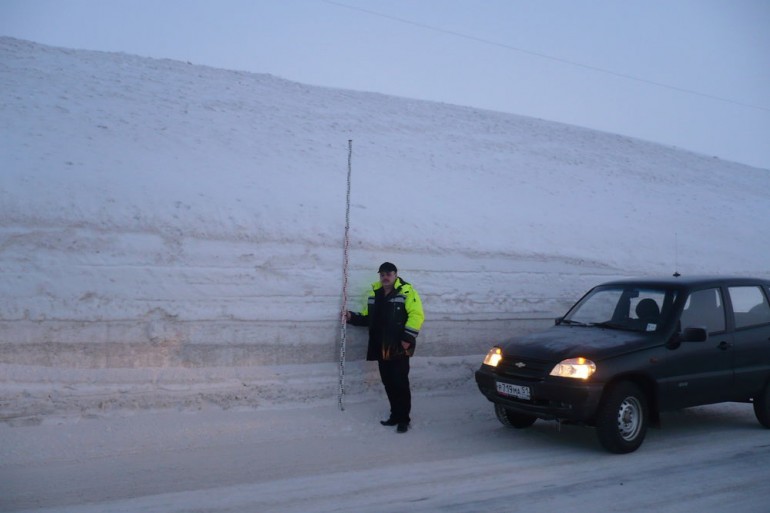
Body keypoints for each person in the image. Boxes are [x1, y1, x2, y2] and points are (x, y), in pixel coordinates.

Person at [346, 262, 425, 433]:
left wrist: (407, 338)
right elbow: (370, 319)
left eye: (388, 273)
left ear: (396, 275)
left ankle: (404, 418)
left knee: (400, 383)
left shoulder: (406, 291)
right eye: (382, 274)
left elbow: (417, 314)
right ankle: (395, 415)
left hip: (399, 346)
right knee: (388, 383)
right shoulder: (375, 295)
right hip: (381, 346)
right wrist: (352, 317)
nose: (385, 277)